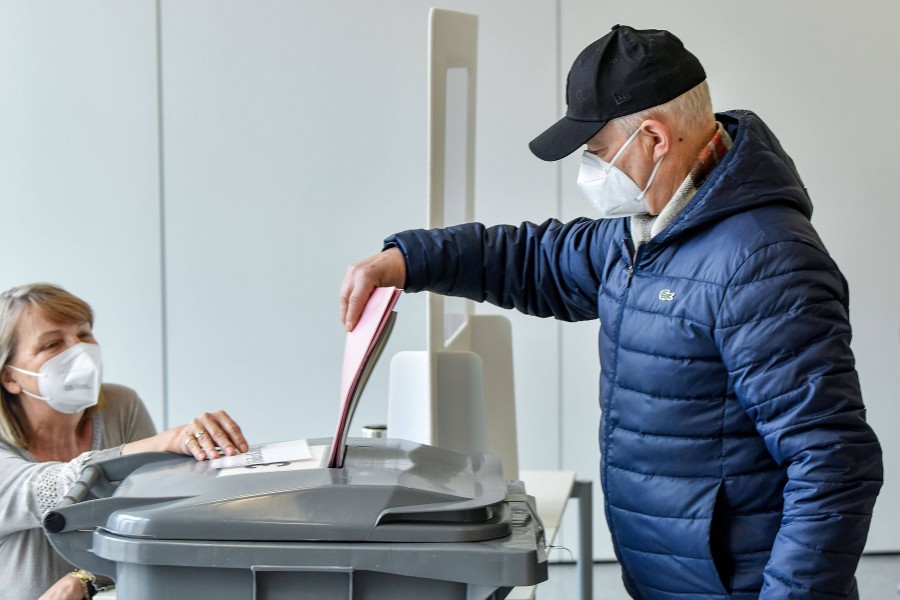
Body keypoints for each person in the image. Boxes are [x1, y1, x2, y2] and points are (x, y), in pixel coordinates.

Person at [340, 25, 883, 599]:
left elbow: (832, 464)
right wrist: (406, 260)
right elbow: (533, 259)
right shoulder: (648, 232)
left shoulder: (764, 261)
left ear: (652, 137)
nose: (590, 172)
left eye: (596, 153)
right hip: (670, 578)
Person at [0, 283, 250, 600]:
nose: (78, 351)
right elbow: (52, 491)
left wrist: (86, 579)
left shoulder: (121, 405)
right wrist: (164, 443)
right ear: (10, 377)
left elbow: (152, 519)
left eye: (84, 334)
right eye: (53, 344)